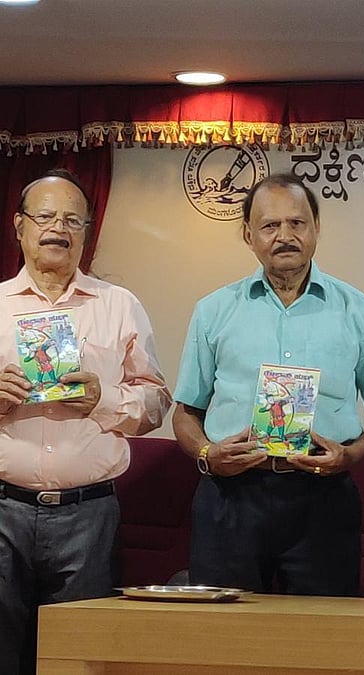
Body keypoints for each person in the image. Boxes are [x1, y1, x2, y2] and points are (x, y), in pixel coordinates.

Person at [173, 173, 364, 596]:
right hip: (231, 495)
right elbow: (186, 412)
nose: (285, 236)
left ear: (317, 227)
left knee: (323, 639)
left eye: (297, 223)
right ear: (248, 234)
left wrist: (351, 455)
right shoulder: (214, 311)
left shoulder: (361, 311)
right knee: (223, 641)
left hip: (323, 496)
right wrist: (209, 453)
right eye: (270, 226)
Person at [0, 169, 171, 674]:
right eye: (46, 216)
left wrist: (104, 398)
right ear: (19, 226)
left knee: (81, 656)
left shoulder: (119, 305)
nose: (59, 228)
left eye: (73, 219)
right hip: (3, 506)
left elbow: (156, 404)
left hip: (88, 513)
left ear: (87, 231)